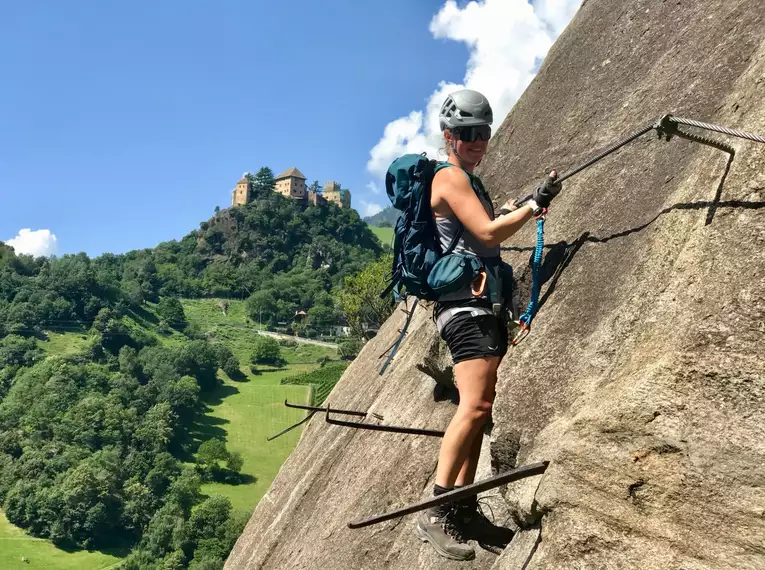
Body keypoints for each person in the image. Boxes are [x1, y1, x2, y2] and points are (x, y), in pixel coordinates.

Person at [414, 89, 561, 561]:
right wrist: (531, 208)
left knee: (480, 409)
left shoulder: (467, 183)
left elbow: (482, 232)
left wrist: (512, 210)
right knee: (475, 407)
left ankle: (464, 508)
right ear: (448, 136)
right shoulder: (450, 177)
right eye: (467, 134)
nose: (477, 142)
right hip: (465, 309)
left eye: (483, 133)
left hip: (479, 306)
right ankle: (436, 509)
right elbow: (488, 234)